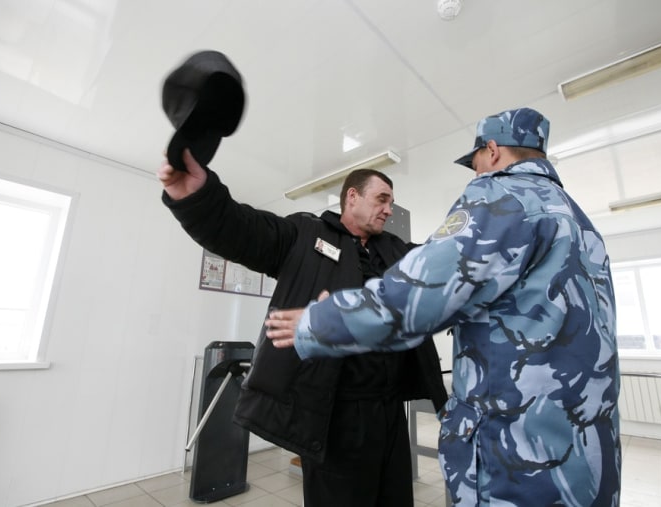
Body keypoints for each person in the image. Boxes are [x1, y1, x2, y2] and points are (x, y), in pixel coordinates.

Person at [265, 108, 621, 506]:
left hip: (519, 454)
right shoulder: (579, 221)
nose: (475, 173)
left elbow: (423, 293)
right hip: (584, 453)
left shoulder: (500, 196)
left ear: (492, 150)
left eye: (476, 163)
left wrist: (320, 322)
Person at [158, 149, 447, 507]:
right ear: (352, 196)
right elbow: (242, 229)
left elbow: (441, 265)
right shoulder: (306, 235)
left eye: (391, 202)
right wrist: (198, 199)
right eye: (382, 199)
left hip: (389, 412)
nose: (388, 209)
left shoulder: (396, 251)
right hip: (333, 412)